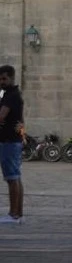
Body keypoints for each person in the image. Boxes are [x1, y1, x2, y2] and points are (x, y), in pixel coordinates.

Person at [0, 65, 25, 224]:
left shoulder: (11, 96)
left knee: (12, 178)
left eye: (4, 79)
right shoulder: (12, 94)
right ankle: (18, 213)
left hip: (9, 141)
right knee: (15, 177)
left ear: (11, 78)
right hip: (13, 140)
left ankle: (13, 214)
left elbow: (1, 116)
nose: (1, 82)